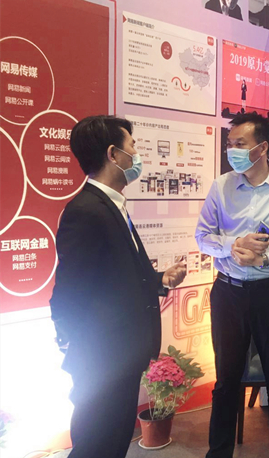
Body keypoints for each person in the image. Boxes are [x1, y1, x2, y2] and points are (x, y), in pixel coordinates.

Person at [49, 116, 187, 458]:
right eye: (133, 147)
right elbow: (69, 290)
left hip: (122, 354)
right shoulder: (85, 210)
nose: (137, 154)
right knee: (97, 442)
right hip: (103, 358)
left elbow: (118, 274)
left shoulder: (112, 205)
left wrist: (160, 279)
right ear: (113, 154)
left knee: (113, 440)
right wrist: (78, 346)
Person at [195, 112, 269, 458]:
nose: (231, 151)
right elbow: (202, 236)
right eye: (230, 144)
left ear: (262, 148)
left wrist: (264, 259)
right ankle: (218, 453)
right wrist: (232, 245)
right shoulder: (221, 186)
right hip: (228, 292)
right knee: (225, 380)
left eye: (240, 144)